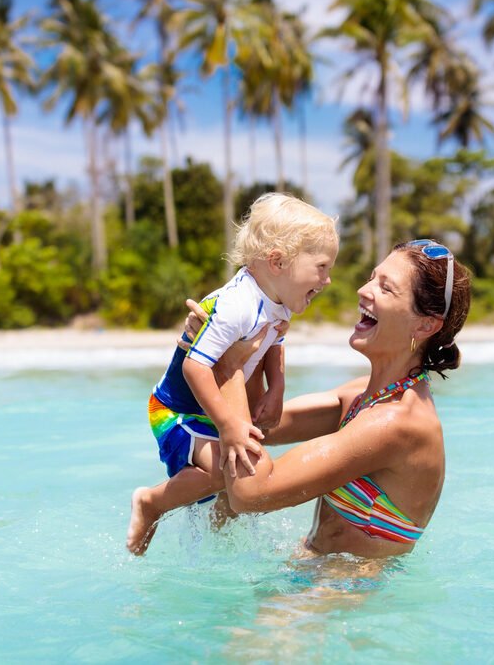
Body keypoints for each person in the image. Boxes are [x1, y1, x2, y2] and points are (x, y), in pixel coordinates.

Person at [210, 239, 470, 559]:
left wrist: (229, 365)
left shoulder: (398, 422)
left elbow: (249, 494)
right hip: (314, 571)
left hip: (345, 594)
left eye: (386, 288)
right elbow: (254, 425)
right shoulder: (364, 395)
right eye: (372, 277)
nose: (364, 289)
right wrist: (246, 336)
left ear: (426, 324)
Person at [126, 193, 339, 555]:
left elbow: (275, 340)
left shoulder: (278, 302)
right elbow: (195, 366)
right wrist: (227, 426)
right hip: (176, 411)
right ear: (278, 261)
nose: (329, 280)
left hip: (210, 410)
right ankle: (151, 503)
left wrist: (277, 387)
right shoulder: (237, 305)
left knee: (236, 482)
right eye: (321, 267)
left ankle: (216, 543)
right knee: (223, 473)